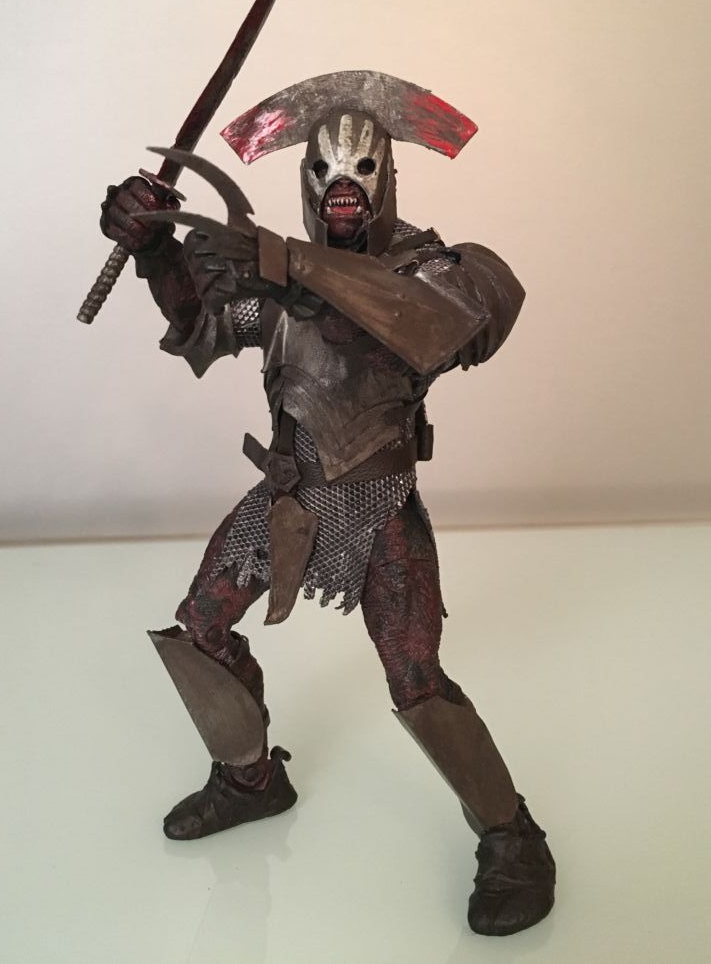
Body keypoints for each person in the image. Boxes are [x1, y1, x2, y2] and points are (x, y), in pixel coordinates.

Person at [100, 71, 555, 937]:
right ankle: (249, 778)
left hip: (380, 505)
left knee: (416, 680)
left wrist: (292, 263)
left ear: (389, 178)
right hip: (287, 495)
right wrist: (156, 249)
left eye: (361, 175)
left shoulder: (434, 270)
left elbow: (437, 326)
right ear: (307, 181)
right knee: (199, 630)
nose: (344, 192)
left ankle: (512, 835)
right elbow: (200, 324)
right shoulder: (273, 280)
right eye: (327, 176)